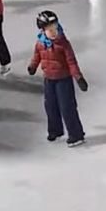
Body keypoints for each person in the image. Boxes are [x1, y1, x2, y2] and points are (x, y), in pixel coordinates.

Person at [27, 10, 88, 146]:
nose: (54, 32)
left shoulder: (63, 44)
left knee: (67, 107)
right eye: (50, 29)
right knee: (50, 106)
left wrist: (79, 78)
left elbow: (72, 62)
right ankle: (55, 130)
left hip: (63, 80)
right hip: (49, 79)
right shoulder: (40, 43)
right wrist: (32, 66)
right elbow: (36, 56)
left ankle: (76, 134)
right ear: (43, 30)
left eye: (55, 27)